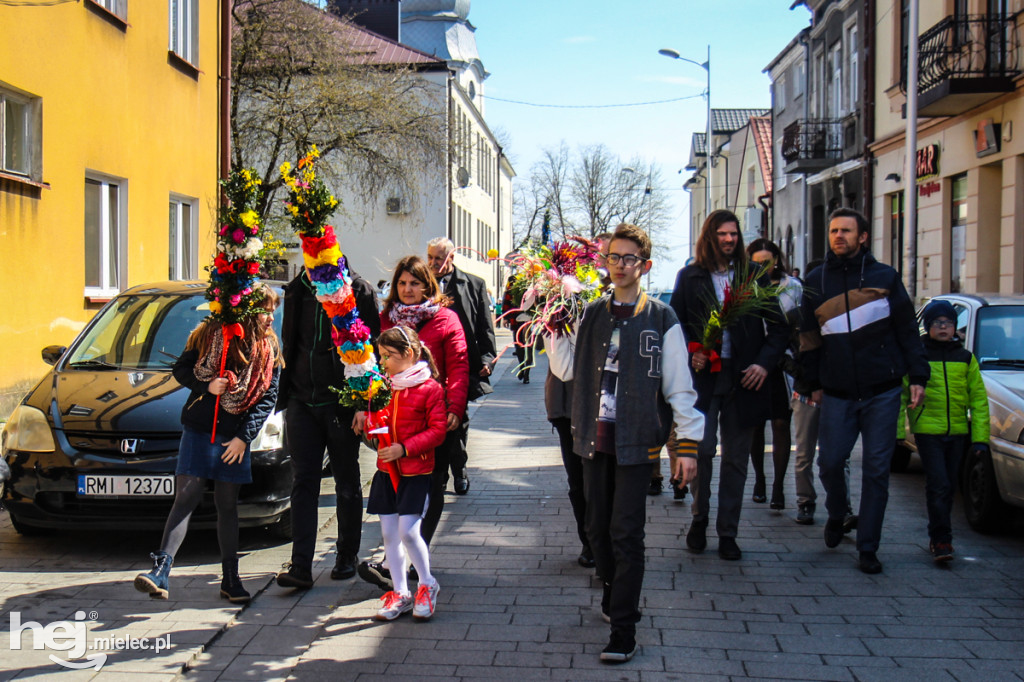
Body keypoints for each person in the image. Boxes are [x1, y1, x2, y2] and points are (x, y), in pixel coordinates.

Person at [547, 223, 703, 664]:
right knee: (596, 530)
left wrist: (686, 445)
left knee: (626, 534)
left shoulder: (660, 319)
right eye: (613, 257)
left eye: (629, 258)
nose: (619, 265)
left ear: (645, 266)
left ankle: (624, 628)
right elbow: (564, 369)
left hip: (637, 445)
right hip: (593, 442)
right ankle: (615, 593)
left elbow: (679, 387)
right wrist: (550, 319)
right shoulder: (593, 313)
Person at [799, 207, 929, 574]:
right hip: (837, 392)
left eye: (846, 231)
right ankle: (838, 512)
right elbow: (808, 339)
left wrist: (917, 376)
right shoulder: (816, 280)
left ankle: (869, 546)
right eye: (833, 230)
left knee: (876, 470)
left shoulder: (884, 277)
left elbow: (907, 330)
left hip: (883, 391)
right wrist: (812, 384)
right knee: (828, 464)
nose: (838, 236)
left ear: (863, 237)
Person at [135, 285, 282, 602]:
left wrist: (244, 439)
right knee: (186, 496)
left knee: (227, 506)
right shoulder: (211, 334)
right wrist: (206, 385)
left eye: (273, 309)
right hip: (200, 428)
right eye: (264, 309)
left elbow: (267, 398)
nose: (270, 316)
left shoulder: (270, 351)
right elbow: (182, 369)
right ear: (245, 309)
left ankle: (231, 579)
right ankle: (160, 571)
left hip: (234, 438)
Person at [670, 210, 789, 561]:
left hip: (744, 380)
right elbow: (675, 325)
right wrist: (693, 351)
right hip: (704, 380)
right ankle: (699, 517)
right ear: (710, 237)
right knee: (702, 451)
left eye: (734, 234)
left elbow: (779, 328)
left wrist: (763, 365)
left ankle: (728, 532)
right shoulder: (690, 276)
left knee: (736, 459)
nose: (729, 240)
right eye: (722, 234)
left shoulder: (753, 276)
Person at [358, 255, 469, 591]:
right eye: (402, 283)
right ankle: (400, 560)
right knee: (395, 484)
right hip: (395, 416)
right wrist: (368, 406)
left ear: (427, 286)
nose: (407, 290)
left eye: (415, 283)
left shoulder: (445, 319)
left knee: (431, 484)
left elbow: (460, 364)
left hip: (435, 415)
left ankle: (414, 559)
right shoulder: (385, 319)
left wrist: (455, 406)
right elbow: (375, 364)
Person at [274, 262, 380, 590]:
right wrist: (287, 394)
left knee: (346, 481)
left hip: (342, 402)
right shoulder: (296, 290)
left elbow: (370, 348)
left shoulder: (357, 289)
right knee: (303, 481)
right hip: (301, 401)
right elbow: (290, 342)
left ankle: (346, 555)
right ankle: (301, 566)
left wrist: (363, 404)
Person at [356, 326, 447, 620]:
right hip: (387, 470)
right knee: (389, 534)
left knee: (408, 532)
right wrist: (368, 421)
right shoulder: (385, 386)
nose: (383, 363)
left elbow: (437, 431)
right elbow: (380, 419)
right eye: (381, 356)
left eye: (388, 356)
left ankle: (427, 583)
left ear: (408, 354)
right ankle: (400, 592)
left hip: (414, 471)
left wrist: (404, 448)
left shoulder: (430, 388)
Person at [897, 299, 988, 563]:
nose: (944, 327)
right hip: (927, 431)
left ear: (955, 326)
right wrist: (897, 435)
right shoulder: (919, 357)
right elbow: (902, 396)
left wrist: (980, 439)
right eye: (937, 323)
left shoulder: (965, 358)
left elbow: (979, 400)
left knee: (948, 486)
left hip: (957, 431)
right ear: (928, 327)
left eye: (948, 322)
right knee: (938, 484)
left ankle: (939, 534)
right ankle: (941, 539)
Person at [544, 231, 612, 571]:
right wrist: (560, 320)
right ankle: (590, 541)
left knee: (601, 478)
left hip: (607, 405)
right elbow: (564, 369)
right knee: (579, 479)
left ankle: (605, 540)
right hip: (568, 404)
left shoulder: (616, 300)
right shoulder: (558, 308)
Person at [426, 237, 497, 495]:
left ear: (451, 258)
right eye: (430, 257)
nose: (433, 263)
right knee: (436, 419)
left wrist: (488, 360)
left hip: (462, 362)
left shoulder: (473, 284)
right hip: (431, 365)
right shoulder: (422, 282)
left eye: (438, 258)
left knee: (458, 418)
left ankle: (458, 471)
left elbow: (485, 328)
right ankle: (442, 472)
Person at [746, 238, 801, 510]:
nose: (763, 267)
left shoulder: (791, 287)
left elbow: (799, 327)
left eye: (767, 261)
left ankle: (779, 485)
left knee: (781, 423)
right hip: (755, 362)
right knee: (756, 423)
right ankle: (759, 479)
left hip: (783, 365)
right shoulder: (745, 286)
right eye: (757, 262)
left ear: (777, 260)